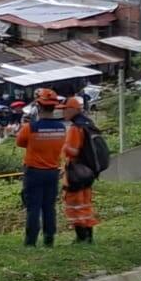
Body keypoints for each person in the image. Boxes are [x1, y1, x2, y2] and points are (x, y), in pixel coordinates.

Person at [16, 89, 68, 248]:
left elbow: (20, 142)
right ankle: (49, 239)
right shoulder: (61, 128)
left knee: (33, 207)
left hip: (33, 172)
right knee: (49, 207)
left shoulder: (30, 128)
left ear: (38, 106)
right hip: (52, 172)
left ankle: (30, 242)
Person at [61, 96, 100, 243]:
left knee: (74, 204)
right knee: (85, 204)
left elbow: (73, 151)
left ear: (71, 110)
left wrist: (63, 145)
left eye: (64, 110)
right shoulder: (88, 124)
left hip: (76, 171)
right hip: (88, 171)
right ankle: (89, 236)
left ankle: (81, 237)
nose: (63, 113)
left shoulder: (75, 128)